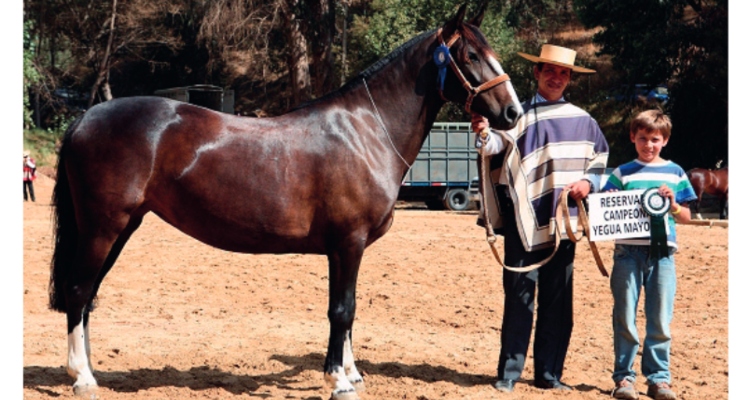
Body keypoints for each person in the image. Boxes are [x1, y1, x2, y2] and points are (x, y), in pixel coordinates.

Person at [471, 44, 609, 393]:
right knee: (519, 297)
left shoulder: (585, 121)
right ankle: (509, 373)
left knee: (557, 300)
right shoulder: (517, 116)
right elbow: (495, 148)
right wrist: (484, 133)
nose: (556, 78)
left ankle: (549, 374)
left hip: (564, 225)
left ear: (570, 79)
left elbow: (600, 162)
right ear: (537, 72)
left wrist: (587, 182)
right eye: (550, 70)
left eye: (563, 73)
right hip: (523, 221)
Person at [602, 110, 696, 400]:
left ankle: (658, 379)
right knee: (625, 315)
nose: (648, 145)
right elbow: (606, 206)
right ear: (633, 137)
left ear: (664, 140)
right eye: (642, 138)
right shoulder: (621, 173)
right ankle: (624, 378)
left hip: (663, 254)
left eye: (655, 139)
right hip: (626, 253)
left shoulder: (676, 172)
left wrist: (673, 205)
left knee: (659, 318)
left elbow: (687, 217)